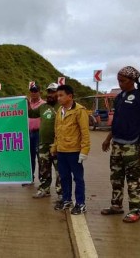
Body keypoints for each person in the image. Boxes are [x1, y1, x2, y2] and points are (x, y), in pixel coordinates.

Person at [101, 66, 140, 223]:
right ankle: (116, 205)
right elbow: (116, 121)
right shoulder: (120, 97)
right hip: (117, 145)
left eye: (122, 81)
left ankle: (135, 210)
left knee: (132, 179)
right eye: (118, 81)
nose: (120, 83)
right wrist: (108, 138)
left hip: (133, 145)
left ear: (132, 81)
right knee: (116, 178)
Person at [51, 85, 90, 215]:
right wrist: (55, 147)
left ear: (70, 96)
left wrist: (84, 151)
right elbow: (57, 131)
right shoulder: (59, 111)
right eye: (58, 95)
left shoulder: (80, 111)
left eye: (61, 95)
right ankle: (66, 199)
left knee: (78, 178)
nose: (58, 98)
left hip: (74, 151)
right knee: (64, 177)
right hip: (62, 151)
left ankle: (80, 203)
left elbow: (85, 132)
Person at [28, 83, 62, 199]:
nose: (50, 94)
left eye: (53, 92)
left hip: (58, 144)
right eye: (49, 92)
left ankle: (61, 193)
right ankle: (44, 189)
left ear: (58, 93)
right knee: (44, 168)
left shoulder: (62, 107)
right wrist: (27, 103)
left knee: (60, 170)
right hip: (43, 143)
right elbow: (31, 113)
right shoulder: (43, 107)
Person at [23, 83, 45, 186]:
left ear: (39, 92)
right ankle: (30, 178)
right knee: (29, 157)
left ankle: (43, 180)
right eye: (32, 91)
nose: (33, 93)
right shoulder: (24, 103)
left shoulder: (44, 104)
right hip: (27, 133)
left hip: (39, 133)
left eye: (35, 91)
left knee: (40, 157)